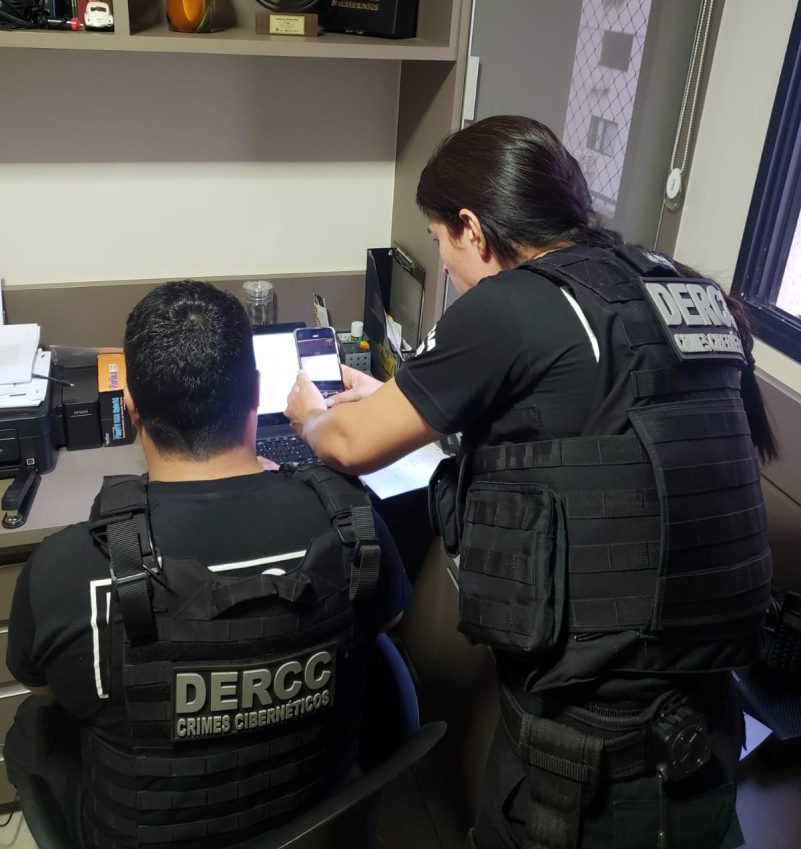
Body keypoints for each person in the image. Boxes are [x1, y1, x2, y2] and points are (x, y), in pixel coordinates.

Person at [284, 115, 776, 849]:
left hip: (588, 757)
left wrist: (311, 416)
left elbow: (350, 447)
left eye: (439, 241)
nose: (446, 266)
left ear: (472, 229)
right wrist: (405, 403)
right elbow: (592, 429)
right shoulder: (672, 286)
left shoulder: (513, 302)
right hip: (705, 721)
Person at [6, 280, 410, 849]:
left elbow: (41, 686)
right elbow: (390, 619)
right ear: (258, 391)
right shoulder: (353, 522)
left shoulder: (67, 568)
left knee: (36, 727)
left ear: (130, 407)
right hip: (323, 827)